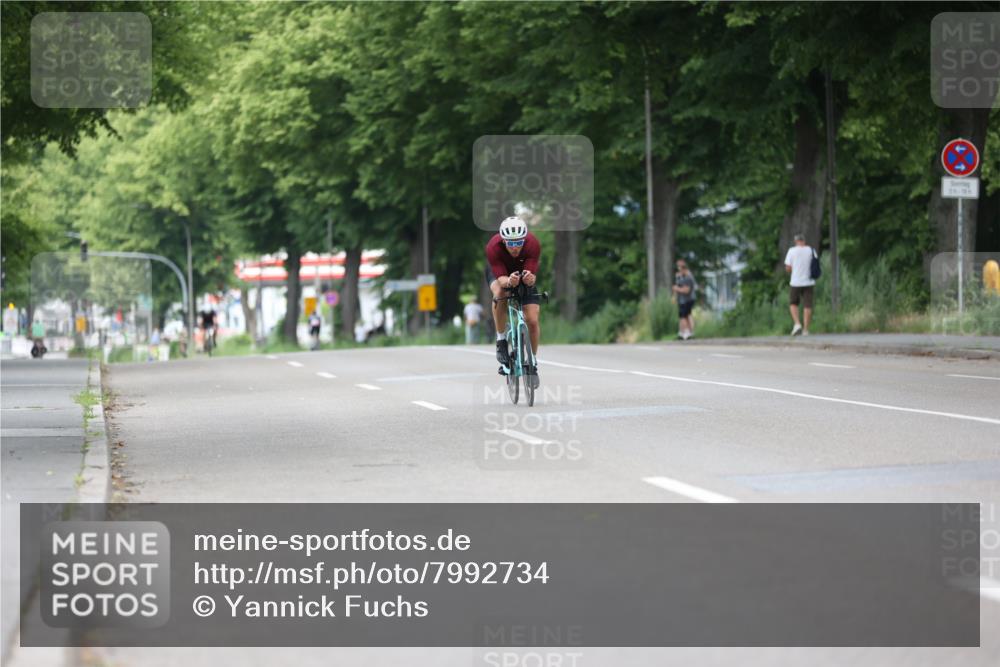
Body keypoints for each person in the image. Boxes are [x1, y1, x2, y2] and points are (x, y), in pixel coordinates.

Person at [485, 216, 541, 384]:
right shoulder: (493, 247)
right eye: (511, 243)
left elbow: (531, 276)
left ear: (525, 239)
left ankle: (532, 362)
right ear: (503, 241)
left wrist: (530, 279)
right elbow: (502, 279)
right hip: (500, 275)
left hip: (521, 274)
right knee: (501, 292)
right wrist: (509, 282)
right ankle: (501, 339)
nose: (515, 247)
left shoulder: (533, 243)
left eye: (519, 243)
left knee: (532, 320)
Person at [784, 233, 816, 336]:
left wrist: (795, 268)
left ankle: (797, 324)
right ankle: (806, 329)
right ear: (804, 241)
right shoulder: (811, 250)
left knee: (793, 303)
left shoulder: (792, 251)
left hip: (795, 282)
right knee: (808, 305)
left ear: (796, 241)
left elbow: (788, 268)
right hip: (809, 281)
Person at [672, 259, 697, 340]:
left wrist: (676, 289)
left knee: (683, 316)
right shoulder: (681, 277)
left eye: (680, 268)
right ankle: (687, 332)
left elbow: (686, 290)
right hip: (684, 300)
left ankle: (686, 332)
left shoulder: (688, 277)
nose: (679, 271)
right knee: (686, 315)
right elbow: (679, 285)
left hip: (687, 299)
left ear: (684, 269)